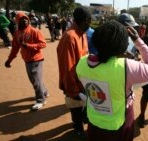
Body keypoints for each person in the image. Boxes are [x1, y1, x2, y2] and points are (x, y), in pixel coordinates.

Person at [76, 20, 148, 141]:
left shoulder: (82, 62)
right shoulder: (126, 66)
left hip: (94, 120)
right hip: (119, 123)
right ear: (122, 47)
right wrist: (138, 41)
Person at [56, 6, 91, 139]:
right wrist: (74, 91)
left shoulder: (82, 33)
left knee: (82, 107)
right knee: (75, 108)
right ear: (85, 20)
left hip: (82, 82)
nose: (90, 23)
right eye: (89, 20)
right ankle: (78, 129)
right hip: (73, 85)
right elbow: (67, 68)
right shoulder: (70, 37)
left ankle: (81, 120)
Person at [4, 12, 48, 111]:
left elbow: (43, 44)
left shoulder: (34, 31)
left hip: (36, 59)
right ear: (17, 21)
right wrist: (9, 60)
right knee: (35, 79)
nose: (24, 20)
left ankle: (41, 100)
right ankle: (44, 92)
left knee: (35, 80)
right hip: (26, 59)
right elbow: (15, 48)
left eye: (26, 18)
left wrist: (29, 46)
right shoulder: (17, 33)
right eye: (22, 19)